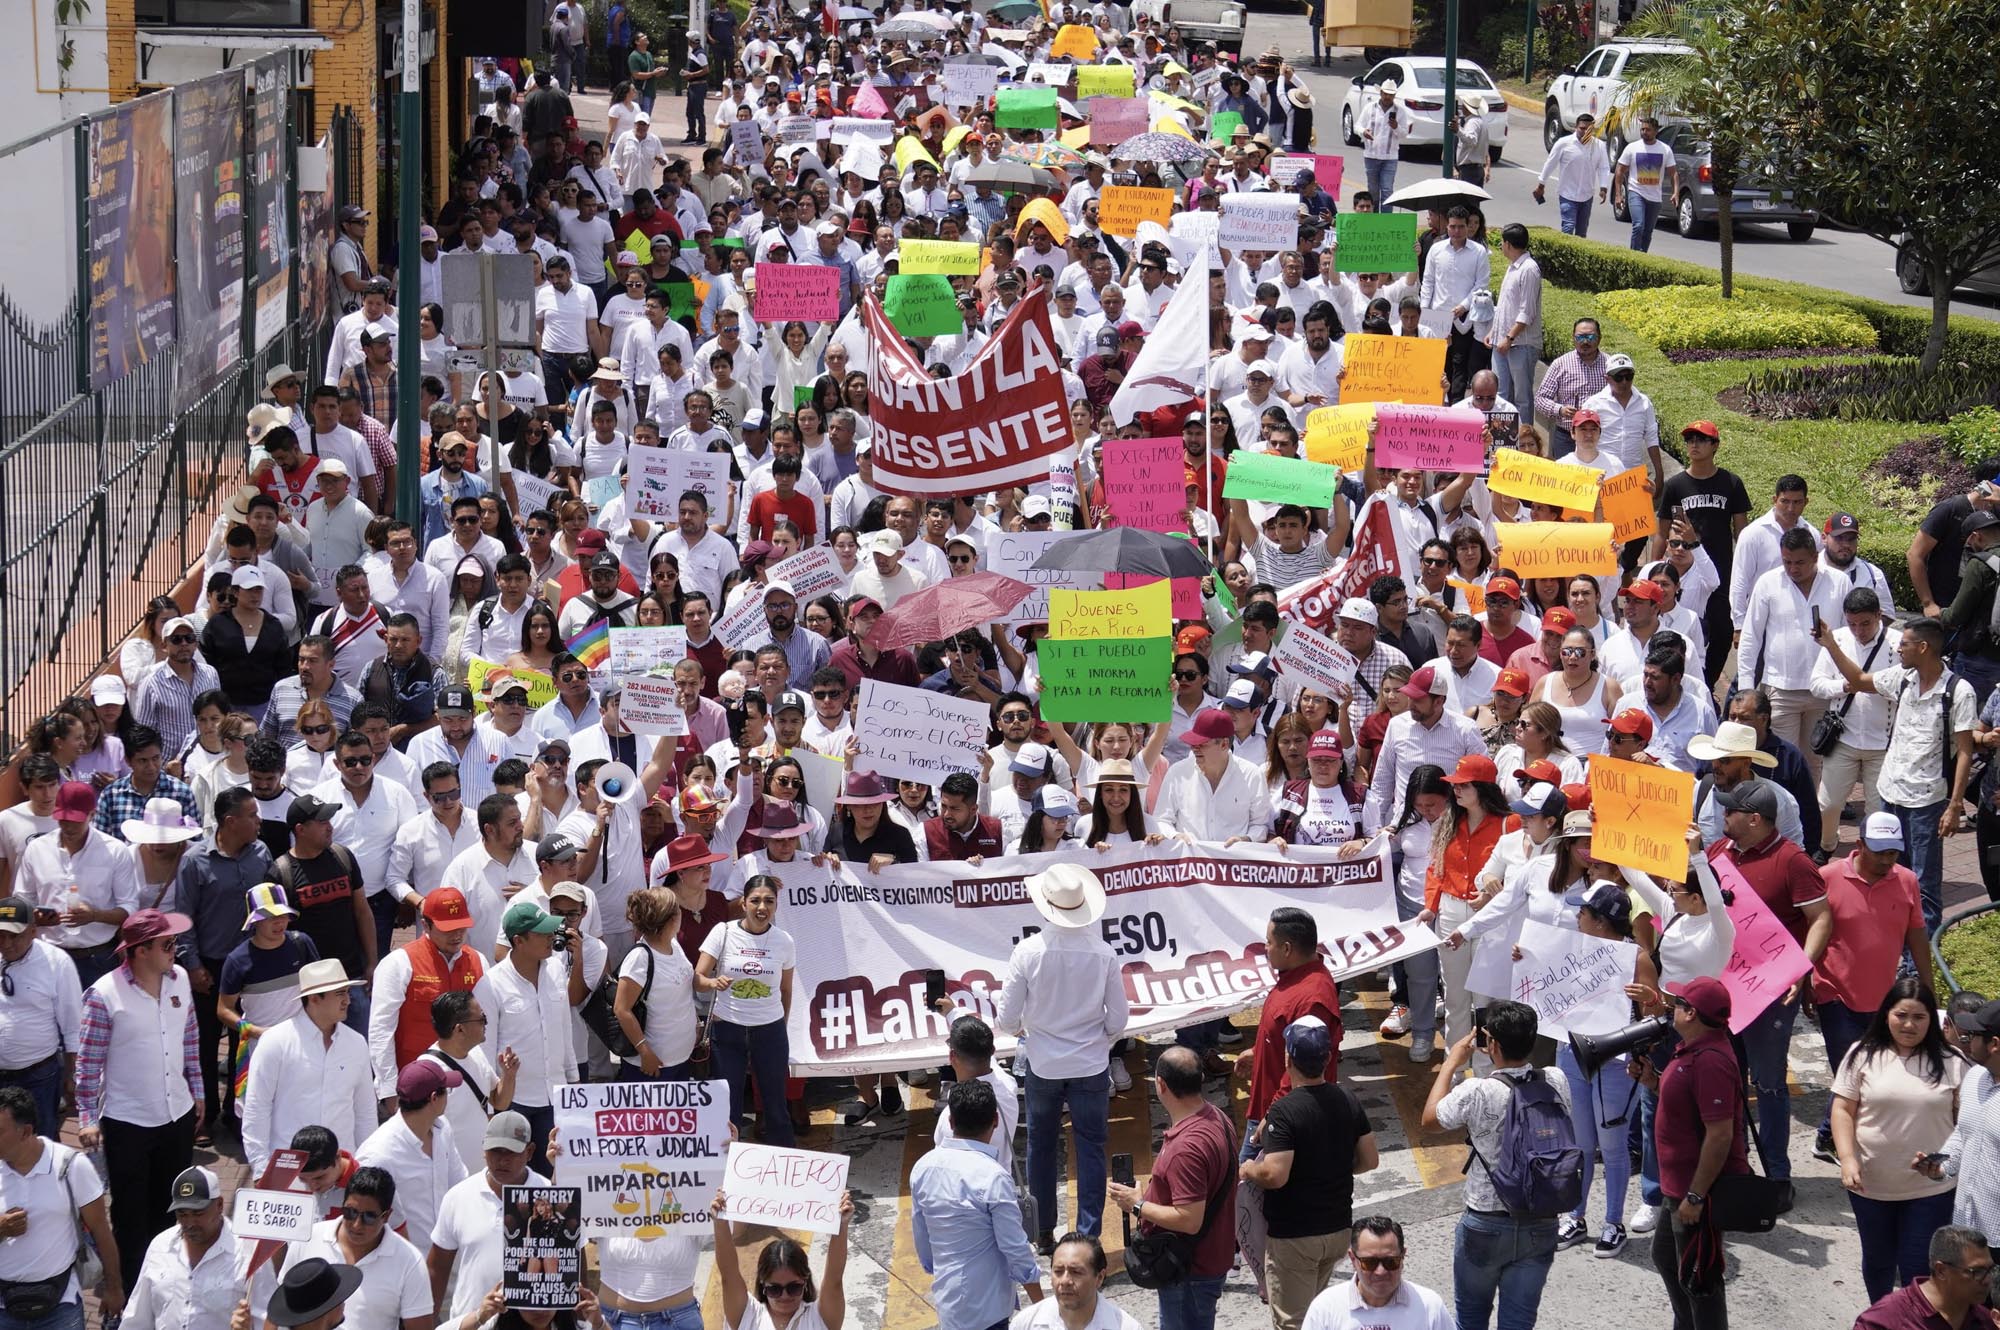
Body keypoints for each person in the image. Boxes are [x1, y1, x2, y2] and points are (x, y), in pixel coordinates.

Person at [1813, 614, 1979, 935]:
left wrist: (1955, 805)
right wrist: (1830, 644)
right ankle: (1891, 940)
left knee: (1924, 883)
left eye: (1903, 643)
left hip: (1926, 803)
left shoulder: (1959, 692)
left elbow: (1966, 753)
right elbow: (1860, 680)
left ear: (1923, 647)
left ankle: (1918, 963)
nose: (1898, 649)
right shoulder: (1902, 679)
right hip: (1889, 797)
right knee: (1889, 874)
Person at [997, 864, 1127, 1252]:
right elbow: (1118, 1018)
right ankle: (1088, 1234)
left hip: (1044, 1064)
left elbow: (1006, 1019)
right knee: (1090, 1146)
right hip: (1090, 1064)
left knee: (1041, 1145)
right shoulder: (1103, 953)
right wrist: (1098, 1041)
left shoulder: (1028, 952)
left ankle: (1042, 1231)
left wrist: (1028, 1030)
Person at [1420, 999, 1569, 1330]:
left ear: (1492, 1045)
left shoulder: (1478, 1091)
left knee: (1470, 1320)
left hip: (1485, 1222)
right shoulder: (1556, 1080)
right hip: (1540, 1219)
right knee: (1519, 1323)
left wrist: (1452, 1063)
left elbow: (1430, 1119)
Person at [74, 908, 201, 1295]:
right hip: (127, 1122)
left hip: (176, 1115)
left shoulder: (179, 981)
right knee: (130, 1218)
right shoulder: (103, 995)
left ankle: (168, 1289)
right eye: (167, 944)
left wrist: (197, 1093)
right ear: (140, 950)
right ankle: (130, 1296)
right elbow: (88, 1062)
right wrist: (86, 1118)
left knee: (173, 1208)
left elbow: (190, 1040)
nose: (174, 950)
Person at [1831, 976, 1965, 1304]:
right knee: (1877, 1262)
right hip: (1871, 1184)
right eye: (1901, 1015)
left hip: (1930, 1190)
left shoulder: (1952, 1061)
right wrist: (1848, 1159)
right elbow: (1842, 1111)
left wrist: (1947, 1163)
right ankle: (1881, 1318)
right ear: (1886, 1014)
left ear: (1931, 1020)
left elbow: (1966, 1125)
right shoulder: (1860, 1055)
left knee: (1917, 1268)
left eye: (1919, 1017)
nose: (1908, 1024)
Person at [1239, 1015, 1378, 1330]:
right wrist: (1335, 1168)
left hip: (1296, 1237)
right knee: (1316, 1316)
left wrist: (1250, 1169)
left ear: (1287, 1058)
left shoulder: (1284, 1111)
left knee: (1294, 1323)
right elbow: (1370, 1160)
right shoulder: (1347, 1099)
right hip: (1337, 1231)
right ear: (1328, 1058)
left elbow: (1275, 1175)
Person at [1640, 977, 1751, 1330]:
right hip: (1680, 1186)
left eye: (1680, 1003)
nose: (1672, 1007)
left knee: (1701, 1279)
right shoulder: (1692, 1048)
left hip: (1696, 1189)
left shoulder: (1711, 1061)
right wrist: (1652, 1082)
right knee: (1667, 1258)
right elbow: (1686, 1106)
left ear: (1692, 1014)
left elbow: (1720, 1135)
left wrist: (1696, 1195)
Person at [1106, 1045, 1236, 1330]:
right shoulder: (1218, 1118)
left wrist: (1136, 1205)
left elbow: (1189, 1220)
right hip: (1207, 1258)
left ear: (1161, 1085)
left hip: (1190, 1270)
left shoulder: (1186, 1149)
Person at [910, 1079, 1048, 1329]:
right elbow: (1014, 1247)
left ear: (950, 1123)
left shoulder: (923, 1167)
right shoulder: (993, 1176)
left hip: (948, 1300)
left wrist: (940, 1269)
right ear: (995, 1121)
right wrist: (1041, 1304)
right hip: (988, 1307)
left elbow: (922, 1237)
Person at [0, 1084, 124, 1327]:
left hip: (60, 1307)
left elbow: (101, 1231)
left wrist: (114, 1288)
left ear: (25, 1132)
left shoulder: (71, 1167)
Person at [240, 957, 375, 1176]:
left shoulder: (357, 1043)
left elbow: (365, 1112)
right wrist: (261, 1169)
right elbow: (257, 1109)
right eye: (340, 993)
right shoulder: (275, 1042)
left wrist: (366, 1166)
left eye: (347, 993)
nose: (348, 1001)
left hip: (341, 1170)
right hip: (288, 1169)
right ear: (314, 999)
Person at [472, 901, 576, 1165]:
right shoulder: (490, 985)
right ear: (518, 941)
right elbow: (484, 1050)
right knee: (515, 1181)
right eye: (542, 934)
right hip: (515, 1102)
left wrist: (574, 1083)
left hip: (558, 1097)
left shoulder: (555, 969)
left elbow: (565, 1028)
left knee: (556, 1176)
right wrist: (490, 1107)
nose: (551, 938)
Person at [695, 872, 793, 1145]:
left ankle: (785, 1167)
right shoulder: (723, 932)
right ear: (743, 903)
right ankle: (726, 1172)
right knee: (729, 1105)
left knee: (775, 1105)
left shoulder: (784, 940)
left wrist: (779, 1026)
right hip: (728, 1030)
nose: (762, 908)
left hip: (770, 1031)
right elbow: (698, 978)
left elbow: (786, 990)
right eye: (756, 901)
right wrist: (713, 981)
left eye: (769, 901)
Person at [428, 1110, 548, 1328]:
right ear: (483, 1149)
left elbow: (573, 1264)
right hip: (469, 1324)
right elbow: (437, 1268)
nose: (502, 1160)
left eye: (510, 1152)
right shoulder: (458, 1196)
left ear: (529, 1152)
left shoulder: (551, 1196)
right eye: (495, 1151)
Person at [367, 886, 485, 1105]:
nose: (457, 935)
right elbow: (381, 1030)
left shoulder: (478, 962)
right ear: (425, 925)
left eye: (461, 926)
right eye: (448, 928)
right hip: (416, 1087)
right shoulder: (399, 963)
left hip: (466, 1084)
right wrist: (389, 1090)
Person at [278, 1166, 430, 1330]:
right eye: (350, 1212)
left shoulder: (410, 1261)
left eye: (369, 1217)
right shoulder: (307, 1239)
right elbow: (280, 1309)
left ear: (386, 1216)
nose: (357, 1225)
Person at [1240, 907, 1342, 1151]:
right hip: (1270, 1108)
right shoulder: (1296, 977)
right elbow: (1284, 1030)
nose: (1265, 948)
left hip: (1280, 1119)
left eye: (1268, 942)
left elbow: (1303, 1068)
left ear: (1286, 949)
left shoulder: (1312, 999)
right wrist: (1258, 1051)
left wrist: (1273, 1116)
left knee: (1250, 1183)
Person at [354, 1059, 468, 1250]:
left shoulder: (443, 1128)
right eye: (446, 1091)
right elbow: (365, 1226)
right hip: (403, 1271)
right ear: (434, 1098)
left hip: (449, 1260)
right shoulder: (377, 1156)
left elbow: (460, 1186)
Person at [712, 1184, 854, 1330]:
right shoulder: (748, 1315)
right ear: (763, 1285)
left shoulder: (819, 1318)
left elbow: (834, 1279)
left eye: (794, 1288)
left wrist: (841, 1225)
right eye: (775, 1289)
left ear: (805, 1282)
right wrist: (720, 1222)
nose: (784, 1296)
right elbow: (728, 1275)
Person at [0, 895, 83, 1138]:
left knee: (40, 1142)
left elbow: (73, 1025)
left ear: (33, 931)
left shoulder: (57, 962)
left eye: (14, 935)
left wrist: (72, 1076)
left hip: (38, 1077)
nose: (6, 944)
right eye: (0, 935)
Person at [123, 1164, 236, 1330]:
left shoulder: (246, 1253)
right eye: (182, 1214)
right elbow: (138, 1317)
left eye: (198, 1213)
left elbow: (266, 1320)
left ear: (219, 1205)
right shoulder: (160, 1246)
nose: (190, 1223)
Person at [1927, 996, 2000, 1247]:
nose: (1967, 1041)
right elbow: (1964, 1133)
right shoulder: (1975, 1077)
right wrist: (1942, 1167)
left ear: (1994, 1044)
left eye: (1974, 1035)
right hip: (1965, 1227)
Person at [1851, 1226, 1998, 1330]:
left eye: (1990, 1270)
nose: (1987, 1281)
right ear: (1941, 1271)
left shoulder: (1984, 1321)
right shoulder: (1884, 1320)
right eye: (1977, 1271)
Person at [1007, 1232, 1141, 1330]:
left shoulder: (1125, 1326)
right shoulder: (1025, 1324)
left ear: (1099, 1278)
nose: (1065, 1281)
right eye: (1058, 1271)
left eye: (1076, 1272)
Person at [1534, 112, 1611, 236]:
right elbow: (1550, 163)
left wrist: (1603, 187)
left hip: (1586, 195)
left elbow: (1603, 168)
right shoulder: (1563, 143)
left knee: (1581, 231)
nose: (1585, 132)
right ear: (1576, 127)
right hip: (1567, 193)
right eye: (1582, 128)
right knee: (1568, 227)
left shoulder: (1599, 146)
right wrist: (1541, 185)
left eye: (1588, 129)